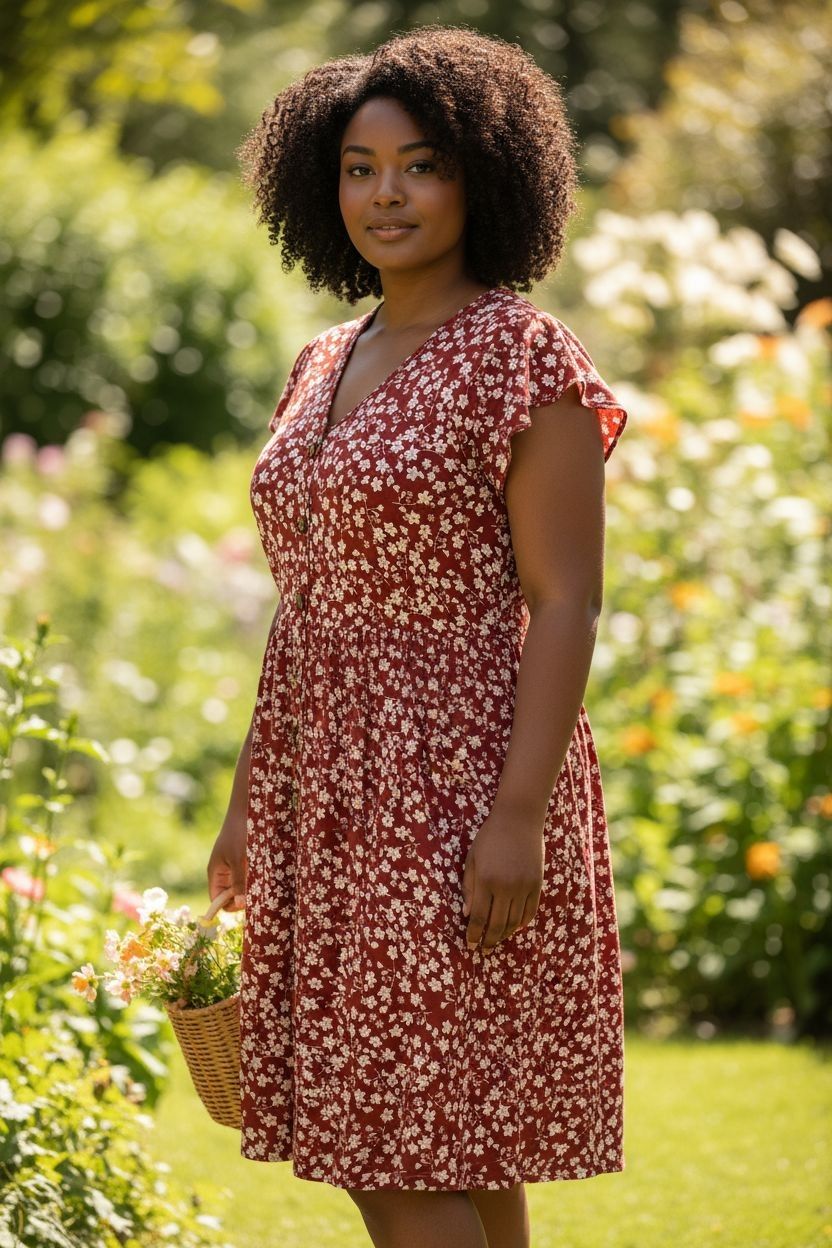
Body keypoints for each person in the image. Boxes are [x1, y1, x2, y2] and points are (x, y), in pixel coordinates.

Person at [207, 23, 629, 1248]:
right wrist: (248, 801)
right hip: (323, 781)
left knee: (391, 1142)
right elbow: (309, 601)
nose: (384, 193)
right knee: (448, 1134)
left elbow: (566, 600)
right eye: (357, 166)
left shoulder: (520, 356)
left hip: (454, 777)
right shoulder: (321, 359)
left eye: (420, 164)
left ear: (483, 177)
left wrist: (517, 815)